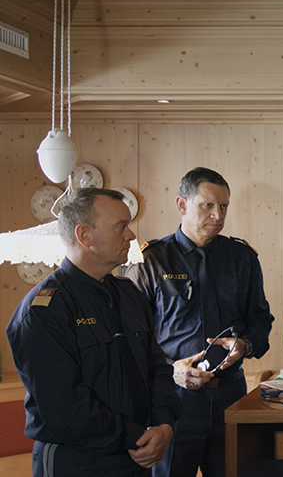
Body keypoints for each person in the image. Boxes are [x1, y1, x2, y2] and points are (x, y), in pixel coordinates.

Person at [7, 188, 181, 477]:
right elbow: (64, 406)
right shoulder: (43, 309)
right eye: (120, 227)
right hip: (77, 461)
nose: (131, 235)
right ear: (84, 236)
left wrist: (164, 423)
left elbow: (156, 367)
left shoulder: (128, 294)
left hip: (136, 455)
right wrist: (135, 436)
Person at [126, 167, 274, 477]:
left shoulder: (242, 258)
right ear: (182, 205)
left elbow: (261, 321)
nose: (218, 215)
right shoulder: (151, 260)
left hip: (231, 395)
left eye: (224, 206)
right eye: (207, 205)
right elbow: (131, 338)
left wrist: (244, 345)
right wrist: (173, 369)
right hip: (172, 400)